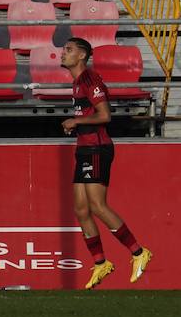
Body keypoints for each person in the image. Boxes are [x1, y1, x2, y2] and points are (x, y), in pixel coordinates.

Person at [60, 37, 151, 288]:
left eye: (68, 50)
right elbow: (89, 114)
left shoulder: (90, 79)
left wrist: (76, 122)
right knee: (80, 209)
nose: (62, 53)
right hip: (85, 149)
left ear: (82, 56)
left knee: (98, 206)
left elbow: (105, 115)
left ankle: (138, 252)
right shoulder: (78, 83)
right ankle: (101, 264)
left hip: (97, 149)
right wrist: (77, 124)